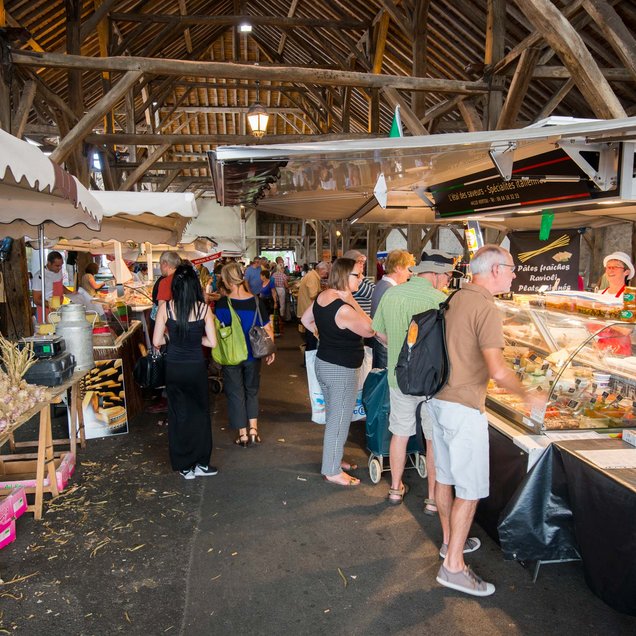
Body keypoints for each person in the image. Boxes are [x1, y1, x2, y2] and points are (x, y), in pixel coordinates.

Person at [429, 245, 544, 597]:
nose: (514, 275)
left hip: (439, 401)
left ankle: (451, 544)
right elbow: (497, 369)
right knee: (471, 490)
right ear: (494, 270)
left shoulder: (454, 298)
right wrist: (529, 396)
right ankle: (453, 568)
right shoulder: (487, 308)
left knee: (446, 479)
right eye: (511, 268)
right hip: (465, 408)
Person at [373, 249, 456, 513]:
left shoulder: (392, 294)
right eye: (446, 276)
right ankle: (432, 497)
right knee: (432, 439)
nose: (448, 281)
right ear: (433, 273)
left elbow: (378, 332)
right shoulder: (442, 301)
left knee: (400, 432)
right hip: (434, 382)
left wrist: (399, 345)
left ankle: (395, 488)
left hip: (400, 377)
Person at [301, 258, 375, 487]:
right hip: (340, 370)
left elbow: (305, 319)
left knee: (336, 416)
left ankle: (334, 459)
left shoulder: (324, 296)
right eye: (358, 275)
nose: (361, 279)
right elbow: (370, 329)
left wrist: (323, 334)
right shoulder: (343, 308)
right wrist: (351, 300)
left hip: (325, 362)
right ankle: (331, 470)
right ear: (344, 276)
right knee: (339, 420)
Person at [152, 265, 218, 479]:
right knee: (200, 413)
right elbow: (212, 342)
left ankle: (184, 466)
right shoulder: (203, 308)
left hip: (174, 367)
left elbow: (156, 341)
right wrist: (195, 339)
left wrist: (173, 339)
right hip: (196, 367)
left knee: (178, 414)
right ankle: (201, 463)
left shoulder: (166, 308)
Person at [215, 262, 275, 447]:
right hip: (253, 355)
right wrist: (270, 350)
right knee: (252, 391)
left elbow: (219, 330)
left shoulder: (223, 303)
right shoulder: (256, 301)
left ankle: (242, 435)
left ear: (226, 280)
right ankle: (254, 431)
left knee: (235, 393)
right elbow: (267, 328)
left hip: (231, 356)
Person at [370, 249, 415, 368]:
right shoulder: (390, 290)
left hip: (381, 344)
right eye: (408, 269)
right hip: (386, 347)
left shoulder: (381, 284)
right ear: (398, 268)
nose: (410, 273)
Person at [297, 261, 331, 353]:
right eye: (326, 272)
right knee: (312, 341)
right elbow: (313, 295)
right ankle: (308, 363)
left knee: (311, 340)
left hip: (308, 311)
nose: (326, 275)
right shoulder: (312, 277)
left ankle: (308, 361)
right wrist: (326, 293)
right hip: (309, 312)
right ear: (322, 270)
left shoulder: (313, 276)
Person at [343, 250, 375, 316]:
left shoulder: (355, 277)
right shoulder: (353, 280)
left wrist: (363, 277)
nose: (362, 264)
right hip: (360, 318)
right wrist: (363, 278)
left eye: (362, 261)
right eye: (359, 262)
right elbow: (374, 294)